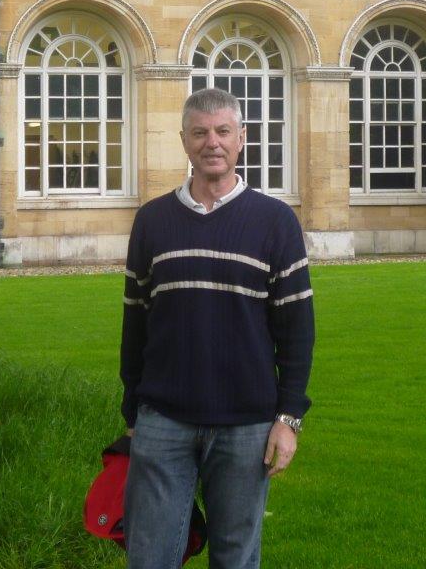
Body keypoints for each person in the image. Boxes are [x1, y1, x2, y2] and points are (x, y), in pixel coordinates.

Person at [120, 87, 315, 569]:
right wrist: (133, 407)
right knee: (150, 557)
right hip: (163, 419)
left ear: (241, 139)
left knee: (235, 557)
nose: (213, 142)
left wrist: (288, 418)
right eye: (201, 132)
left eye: (223, 131)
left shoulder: (275, 222)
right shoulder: (153, 221)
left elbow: (297, 329)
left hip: (247, 423)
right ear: (184, 141)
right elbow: (136, 320)